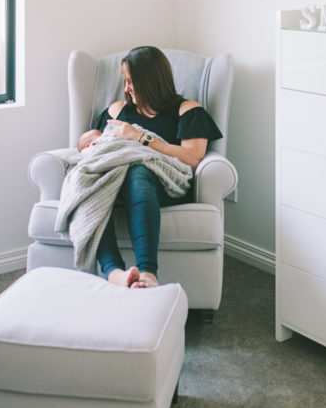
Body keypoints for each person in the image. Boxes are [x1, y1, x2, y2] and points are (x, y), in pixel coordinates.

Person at [78, 45, 222, 289]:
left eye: (131, 82)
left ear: (151, 81)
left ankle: (147, 272)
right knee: (92, 183)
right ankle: (114, 271)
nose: (126, 89)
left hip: (162, 185)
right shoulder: (117, 110)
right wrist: (87, 143)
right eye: (124, 81)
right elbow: (97, 143)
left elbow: (193, 158)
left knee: (139, 170)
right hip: (115, 181)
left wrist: (142, 138)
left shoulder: (187, 110)